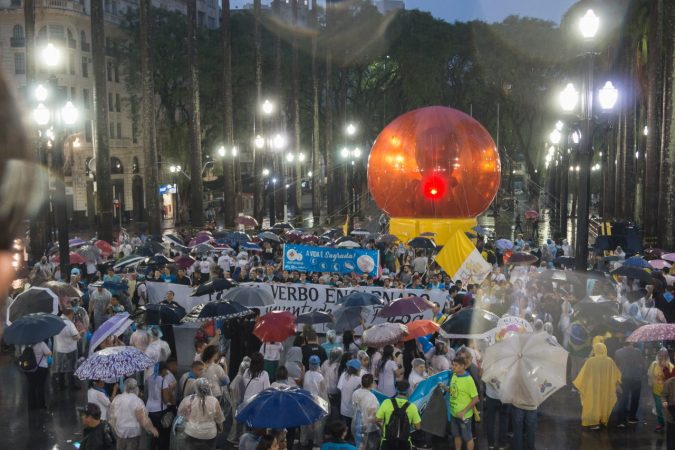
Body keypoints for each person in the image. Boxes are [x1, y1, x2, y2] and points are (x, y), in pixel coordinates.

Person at [573, 342, 622, 430]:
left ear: (595, 350)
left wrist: (581, 386)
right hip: (605, 387)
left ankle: (593, 421)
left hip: (593, 387)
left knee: (593, 403)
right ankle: (602, 419)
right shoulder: (609, 361)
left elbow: (584, 375)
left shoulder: (590, 361)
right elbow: (616, 375)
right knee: (603, 402)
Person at [440, 357, 479, 450]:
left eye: (455, 365)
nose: (453, 367)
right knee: (456, 436)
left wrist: (464, 412)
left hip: (464, 416)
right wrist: (445, 387)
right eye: (453, 364)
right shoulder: (454, 375)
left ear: (463, 366)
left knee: (468, 438)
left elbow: (476, 399)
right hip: (453, 414)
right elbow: (453, 391)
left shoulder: (468, 380)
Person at [109, 378, 159, 450]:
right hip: (133, 433)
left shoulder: (117, 399)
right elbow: (142, 419)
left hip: (120, 433)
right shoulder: (137, 401)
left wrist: (115, 429)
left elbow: (112, 416)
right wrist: (152, 429)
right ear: (136, 388)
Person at [176, 378, 225, 449]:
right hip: (210, 434)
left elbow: (180, 414)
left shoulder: (189, 400)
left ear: (196, 388)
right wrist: (220, 428)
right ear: (208, 387)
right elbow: (219, 419)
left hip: (192, 432)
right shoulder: (214, 401)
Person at [375, 380, 422, 450]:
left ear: (396, 390)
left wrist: (382, 428)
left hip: (387, 442)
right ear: (408, 391)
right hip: (405, 443)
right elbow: (418, 427)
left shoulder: (386, 402)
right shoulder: (412, 407)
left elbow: (377, 419)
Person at [146, 361, 177, 450]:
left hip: (149, 409)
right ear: (162, 370)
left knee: (154, 432)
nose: (167, 372)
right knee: (163, 434)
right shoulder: (163, 381)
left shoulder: (150, 378)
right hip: (160, 411)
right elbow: (166, 400)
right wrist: (170, 389)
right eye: (166, 370)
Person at [614, 341, 644, 427]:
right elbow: (642, 364)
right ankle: (632, 418)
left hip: (624, 378)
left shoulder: (618, 352)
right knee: (635, 398)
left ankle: (621, 421)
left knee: (623, 399)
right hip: (636, 378)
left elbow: (617, 365)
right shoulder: (638, 351)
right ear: (631, 343)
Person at [301, 355, 327, 449]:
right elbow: (323, 392)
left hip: (306, 401)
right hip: (317, 402)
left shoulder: (306, 373)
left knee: (306, 423)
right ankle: (317, 443)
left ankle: (304, 442)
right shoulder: (320, 377)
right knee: (317, 425)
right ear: (318, 365)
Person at [54, 308, 83, 390]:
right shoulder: (69, 324)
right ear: (70, 314)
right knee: (71, 368)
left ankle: (61, 385)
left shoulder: (57, 322)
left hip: (59, 349)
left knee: (60, 367)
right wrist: (81, 332)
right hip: (70, 349)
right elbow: (76, 337)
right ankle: (72, 385)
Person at [648, 347, 675, 431]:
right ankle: (661, 423)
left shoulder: (671, 367)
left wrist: (665, 369)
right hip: (656, 390)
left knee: (668, 409)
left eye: (664, 356)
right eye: (660, 355)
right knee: (659, 408)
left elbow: (672, 380)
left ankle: (670, 424)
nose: (661, 357)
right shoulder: (654, 364)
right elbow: (650, 375)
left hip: (667, 393)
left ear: (667, 357)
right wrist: (652, 384)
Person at [351, 374, 380, 450]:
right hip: (369, 429)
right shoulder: (372, 397)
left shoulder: (355, 393)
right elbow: (372, 415)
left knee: (359, 447)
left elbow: (355, 408)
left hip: (357, 425)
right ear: (371, 384)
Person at [24, 340, 52, 410]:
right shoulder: (41, 343)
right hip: (41, 368)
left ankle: (31, 405)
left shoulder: (25, 344)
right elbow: (49, 353)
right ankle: (41, 405)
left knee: (31, 386)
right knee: (40, 386)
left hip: (29, 368)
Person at [337, 359, 363, 434]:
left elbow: (339, 388)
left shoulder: (344, 375)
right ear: (357, 369)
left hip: (343, 409)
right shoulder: (359, 380)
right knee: (352, 431)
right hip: (354, 411)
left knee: (344, 431)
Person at [661, 375, 675, 450]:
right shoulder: (669, 382)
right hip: (672, 411)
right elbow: (663, 395)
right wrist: (664, 401)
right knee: (671, 435)